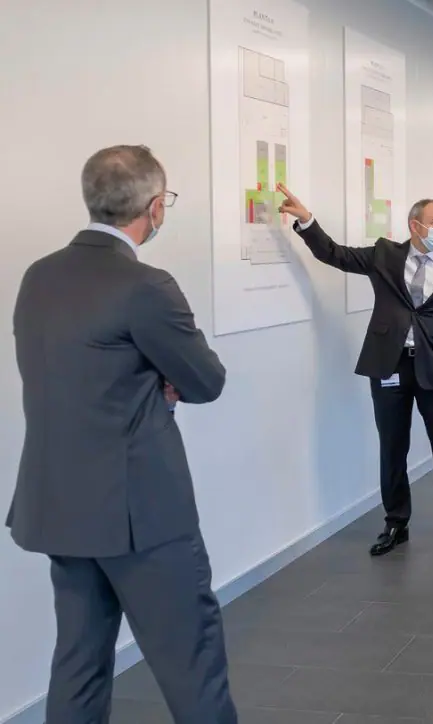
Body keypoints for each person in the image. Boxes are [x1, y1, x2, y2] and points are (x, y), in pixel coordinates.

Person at [7, 145, 237, 722]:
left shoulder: (39, 275)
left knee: (79, 667)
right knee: (192, 666)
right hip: (141, 513)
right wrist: (160, 379)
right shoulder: (145, 285)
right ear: (154, 208)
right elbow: (206, 380)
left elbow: (75, 376)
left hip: (61, 505)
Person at [277, 185, 433, 555]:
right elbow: (335, 254)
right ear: (415, 225)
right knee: (392, 447)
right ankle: (396, 522)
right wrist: (307, 221)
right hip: (390, 365)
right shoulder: (385, 255)